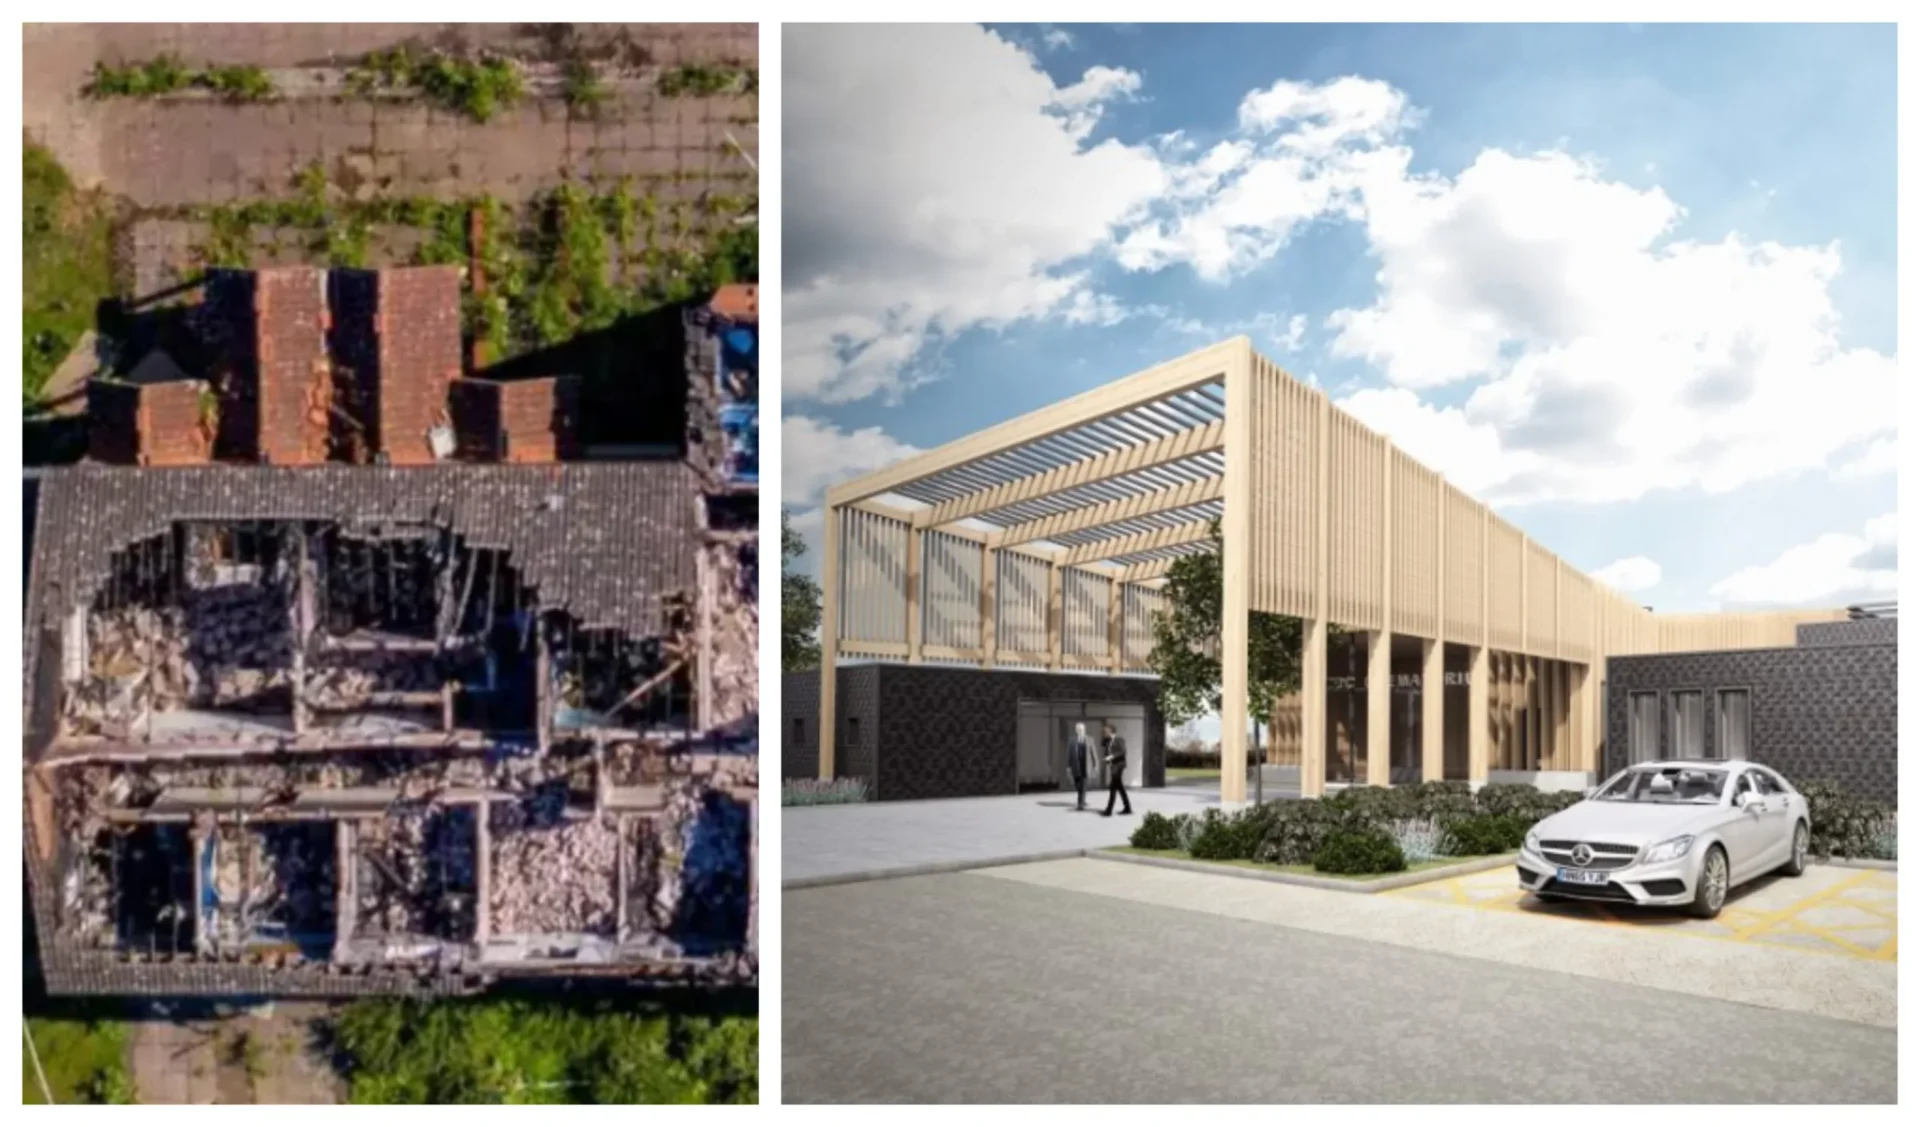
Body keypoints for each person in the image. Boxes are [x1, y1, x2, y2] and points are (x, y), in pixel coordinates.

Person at [1099, 722, 1132, 817]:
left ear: (1111, 731)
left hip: (1119, 766)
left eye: (1105, 731)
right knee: (1120, 788)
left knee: (1113, 787)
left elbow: (1123, 751)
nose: (1104, 733)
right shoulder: (1108, 741)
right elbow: (1104, 746)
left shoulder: (1119, 739)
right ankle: (1128, 808)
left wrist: (1111, 757)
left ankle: (1109, 810)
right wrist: (1107, 758)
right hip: (1113, 766)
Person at [1067, 722, 1091, 810]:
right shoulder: (1072, 741)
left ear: (1084, 730)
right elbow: (1069, 754)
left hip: (1085, 766)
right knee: (1078, 785)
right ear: (1076, 730)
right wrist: (1068, 766)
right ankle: (1082, 800)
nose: (1080, 731)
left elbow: (1093, 753)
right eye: (1078, 729)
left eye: (1082, 729)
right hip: (1076, 766)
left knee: (1083, 785)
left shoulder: (1089, 739)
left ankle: (1080, 803)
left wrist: (1096, 765)